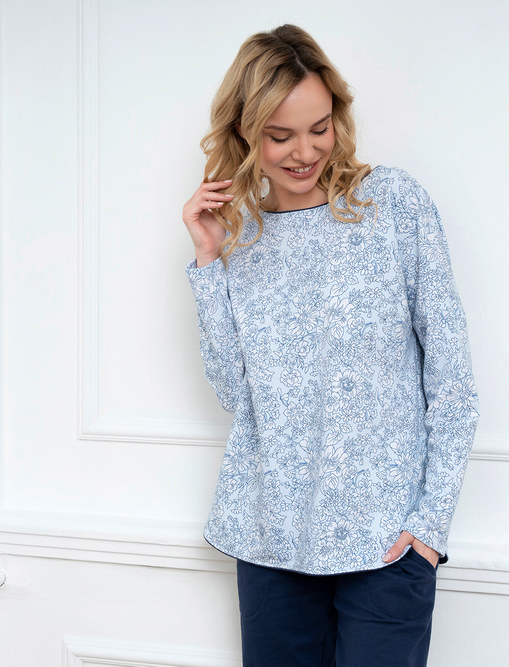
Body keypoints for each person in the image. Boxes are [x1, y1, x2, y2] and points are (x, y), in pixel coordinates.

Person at [181, 24, 479, 667]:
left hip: (387, 544)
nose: (304, 151)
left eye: (319, 128)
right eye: (279, 135)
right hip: (271, 541)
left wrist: (429, 528)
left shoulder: (393, 204)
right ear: (244, 134)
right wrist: (208, 259)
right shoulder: (241, 236)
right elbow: (236, 393)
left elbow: (452, 379)